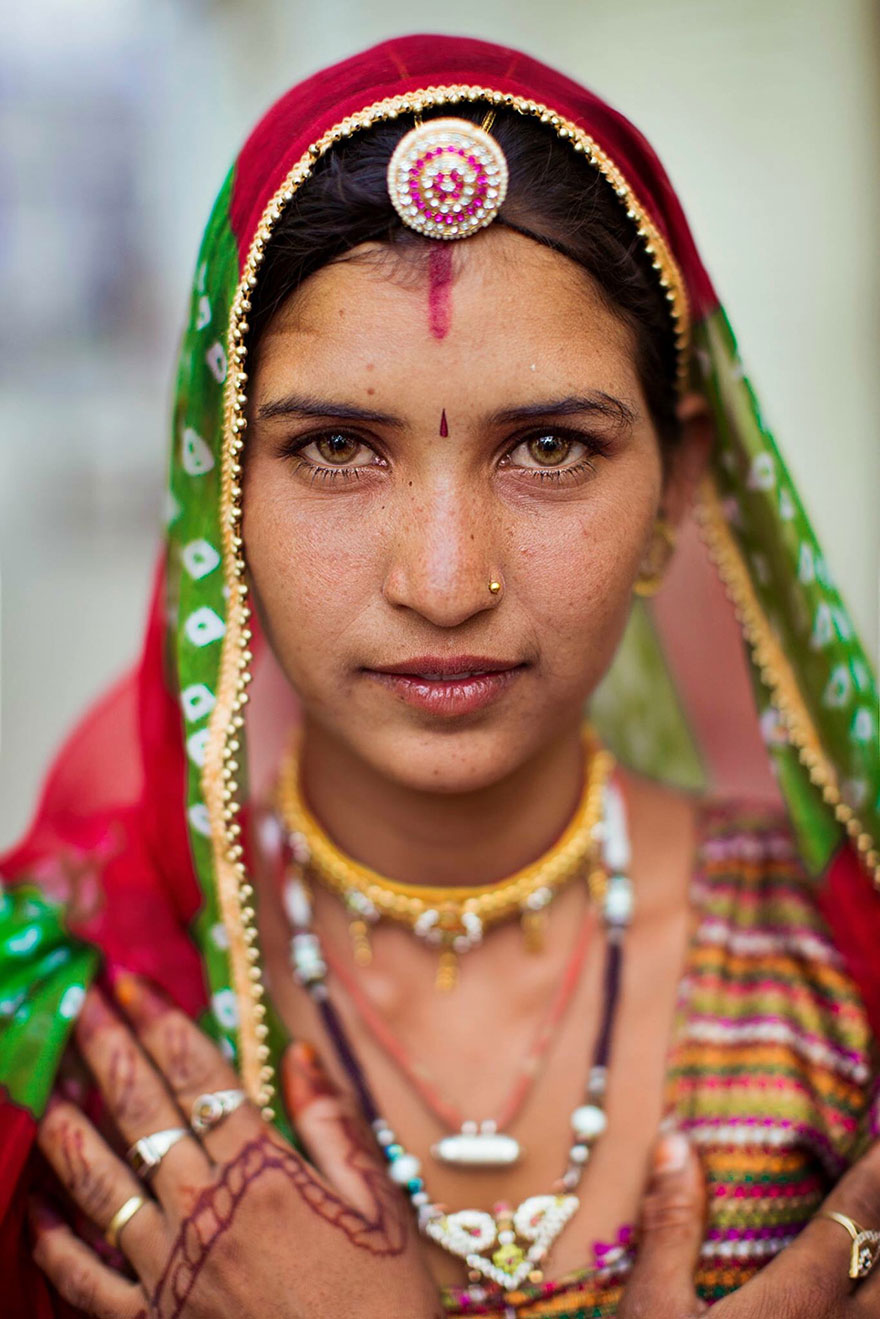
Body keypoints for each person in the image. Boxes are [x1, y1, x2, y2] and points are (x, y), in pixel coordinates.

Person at [1, 33, 878, 1319]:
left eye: (549, 446)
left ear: (678, 487)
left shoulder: (840, 970)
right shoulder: (75, 1023)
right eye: (340, 445)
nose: (446, 578)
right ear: (219, 494)